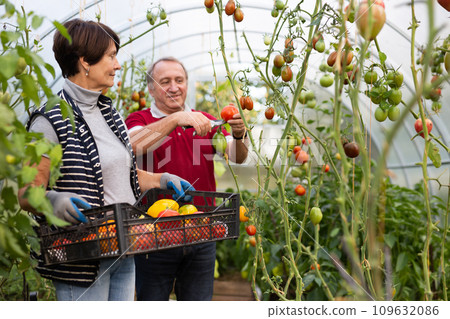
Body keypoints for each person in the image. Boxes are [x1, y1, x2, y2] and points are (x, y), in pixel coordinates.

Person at [18, 20, 193, 301]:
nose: (117, 64)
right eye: (111, 56)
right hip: (84, 256)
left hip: (124, 249)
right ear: (85, 61)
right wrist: (53, 200)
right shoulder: (49, 118)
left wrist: (161, 179)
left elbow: (120, 173)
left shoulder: (108, 112)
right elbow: (27, 192)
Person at [125, 57, 249, 301]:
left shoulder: (204, 119)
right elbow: (133, 144)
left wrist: (239, 134)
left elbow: (237, 157)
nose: (174, 87)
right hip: (154, 233)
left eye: (179, 80)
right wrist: (175, 119)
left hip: (202, 231)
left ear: (186, 84)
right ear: (151, 88)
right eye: (165, 81)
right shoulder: (139, 119)